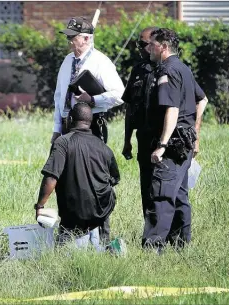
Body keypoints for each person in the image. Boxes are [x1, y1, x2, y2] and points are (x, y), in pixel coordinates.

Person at [52, 16, 125, 243]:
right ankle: (70, 232)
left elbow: (119, 94)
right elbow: (59, 98)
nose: (69, 42)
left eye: (72, 38)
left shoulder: (101, 61)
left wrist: (92, 99)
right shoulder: (67, 62)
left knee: (93, 181)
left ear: (86, 38)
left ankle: (100, 235)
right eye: (68, 37)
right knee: (65, 179)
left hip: (90, 126)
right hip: (67, 127)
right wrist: (56, 130)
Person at [142, 29, 207, 252]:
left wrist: (161, 145)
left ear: (163, 46)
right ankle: (181, 247)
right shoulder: (184, 68)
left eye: (152, 44)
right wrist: (194, 132)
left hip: (172, 145)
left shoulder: (167, 71)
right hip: (185, 143)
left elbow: (172, 108)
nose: (148, 48)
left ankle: (153, 248)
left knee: (161, 194)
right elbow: (203, 99)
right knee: (179, 195)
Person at [35, 102, 120, 251]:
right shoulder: (103, 147)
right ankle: (106, 245)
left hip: (74, 216)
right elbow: (114, 179)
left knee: (65, 254)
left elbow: (51, 177)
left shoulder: (63, 142)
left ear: (70, 119)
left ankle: (91, 246)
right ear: (90, 122)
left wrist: (40, 205)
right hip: (101, 213)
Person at [122, 26, 159, 218]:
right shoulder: (138, 70)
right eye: (137, 43)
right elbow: (129, 108)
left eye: (143, 44)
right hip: (143, 138)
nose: (139, 48)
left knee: (163, 188)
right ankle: (150, 227)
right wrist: (127, 140)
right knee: (146, 186)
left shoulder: (167, 67)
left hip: (163, 139)